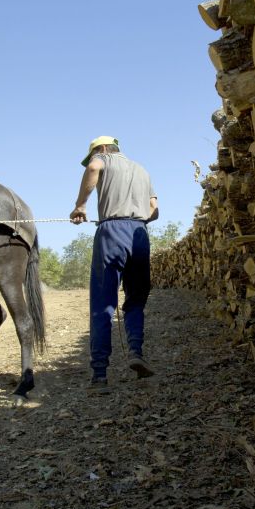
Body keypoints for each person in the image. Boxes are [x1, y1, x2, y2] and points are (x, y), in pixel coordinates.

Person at [70, 135, 158, 392]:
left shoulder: (102, 159)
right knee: (136, 299)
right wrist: (136, 218)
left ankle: (99, 375)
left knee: (103, 301)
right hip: (140, 233)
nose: (93, 160)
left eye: (94, 155)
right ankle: (136, 352)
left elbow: (94, 168)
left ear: (104, 149)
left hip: (112, 230)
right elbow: (155, 209)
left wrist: (80, 205)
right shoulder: (142, 170)